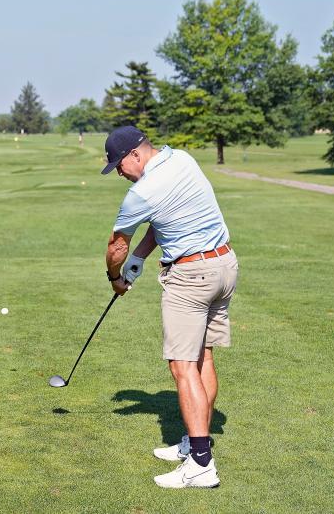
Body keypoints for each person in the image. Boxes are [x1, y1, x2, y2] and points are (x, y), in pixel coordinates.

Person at [100, 125, 238, 489]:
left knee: (182, 367)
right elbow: (166, 220)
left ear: (136, 154)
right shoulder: (182, 160)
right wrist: (142, 257)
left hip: (190, 277)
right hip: (224, 267)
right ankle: (197, 443)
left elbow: (116, 245)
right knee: (202, 358)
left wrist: (114, 275)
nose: (118, 172)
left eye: (118, 164)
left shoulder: (140, 192)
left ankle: (201, 466)